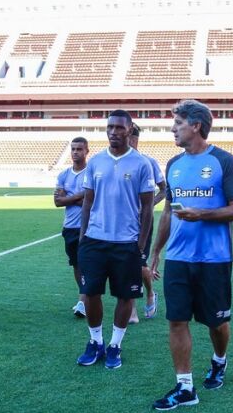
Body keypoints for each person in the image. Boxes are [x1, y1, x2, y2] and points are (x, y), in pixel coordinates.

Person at [149, 99, 233, 410]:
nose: (172, 129)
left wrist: (201, 214)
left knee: (216, 323)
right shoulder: (173, 165)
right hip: (178, 258)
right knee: (177, 320)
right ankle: (185, 386)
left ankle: (219, 360)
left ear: (196, 126)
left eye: (178, 123)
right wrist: (155, 252)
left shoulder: (223, 161)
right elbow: (167, 213)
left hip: (214, 259)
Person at [77, 110, 155, 369]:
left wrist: (141, 245)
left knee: (125, 296)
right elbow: (87, 202)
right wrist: (82, 238)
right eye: (110, 127)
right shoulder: (96, 162)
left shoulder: (141, 164)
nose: (113, 132)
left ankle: (115, 345)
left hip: (126, 243)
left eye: (119, 128)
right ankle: (96, 341)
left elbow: (147, 209)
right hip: (95, 240)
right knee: (90, 293)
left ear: (130, 129)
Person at [127, 124, 167, 323]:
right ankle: (132, 309)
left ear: (134, 139)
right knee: (127, 264)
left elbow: (164, 189)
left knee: (140, 265)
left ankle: (150, 293)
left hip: (143, 221)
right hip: (123, 223)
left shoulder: (148, 162)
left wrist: (149, 206)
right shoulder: (117, 162)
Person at [54, 137, 89, 317]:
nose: (75, 152)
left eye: (79, 149)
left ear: (86, 151)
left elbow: (90, 202)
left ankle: (83, 302)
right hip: (69, 226)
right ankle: (84, 296)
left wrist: (69, 197)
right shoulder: (63, 175)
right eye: (73, 149)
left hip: (89, 227)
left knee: (87, 264)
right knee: (76, 264)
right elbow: (57, 202)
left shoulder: (91, 173)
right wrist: (79, 197)